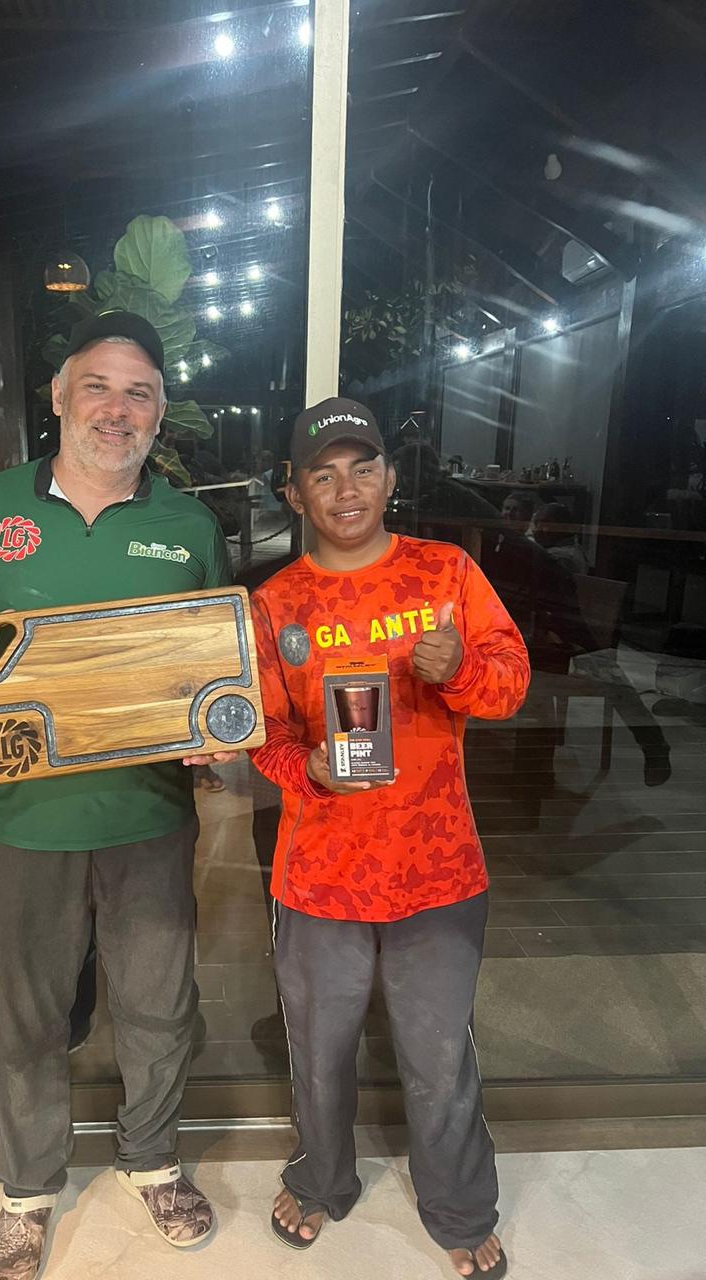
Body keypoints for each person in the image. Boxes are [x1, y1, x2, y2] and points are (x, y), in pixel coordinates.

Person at [0, 312, 235, 1280]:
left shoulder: (188, 526)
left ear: (160, 413)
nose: (116, 409)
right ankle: (27, 1189)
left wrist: (214, 728)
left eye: (139, 394)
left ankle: (153, 1160)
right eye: (98, 386)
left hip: (150, 820)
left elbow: (215, 655)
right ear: (58, 395)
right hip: (25, 821)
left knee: (159, 1005)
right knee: (27, 1016)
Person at [249, 397, 529, 1278]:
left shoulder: (445, 574)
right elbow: (262, 733)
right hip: (319, 872)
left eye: (363, 469)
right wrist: (308, 770)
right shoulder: (276, 603)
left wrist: (463, 668)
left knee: (440, 1057)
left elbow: (512, 681)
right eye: (324, 475)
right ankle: (321, 1178)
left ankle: (459, 1209)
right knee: (319, 1052)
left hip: (437, 869)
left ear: (391, 478)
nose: (346, 490)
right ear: (295, 493)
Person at [529, 501, 588, 574]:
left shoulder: (561, 558)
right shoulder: (572, 548)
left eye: (546, 524)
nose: (538, 530)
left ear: (565, 527)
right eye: (536, 523)